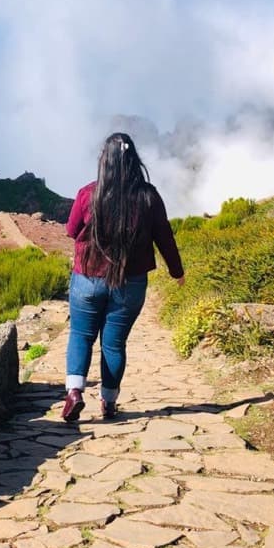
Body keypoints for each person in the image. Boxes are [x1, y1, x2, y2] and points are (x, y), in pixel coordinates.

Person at [62, 132, 185, 423]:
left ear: (104, 161)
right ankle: (109, 402)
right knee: (114, 344)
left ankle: (75, 393)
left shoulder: (87, 193)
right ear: (133, 161)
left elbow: (70, 230)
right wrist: (176, 271)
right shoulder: (148, 196)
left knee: (81, 335)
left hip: (88, 278)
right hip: (130, 284)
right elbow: (164, 237)